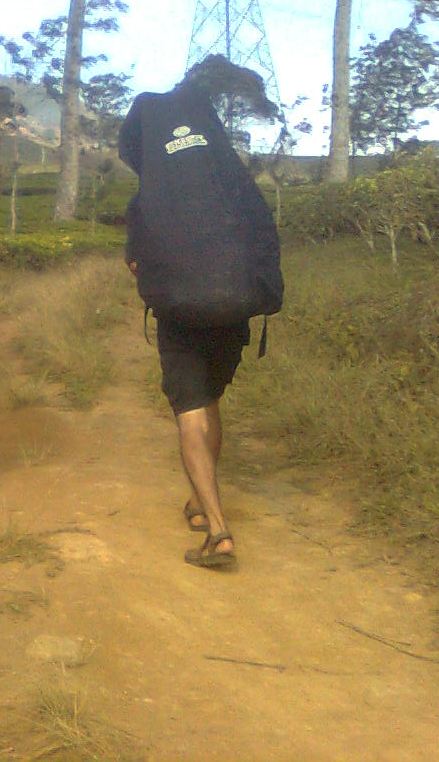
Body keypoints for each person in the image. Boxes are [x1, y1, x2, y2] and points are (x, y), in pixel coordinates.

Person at [118, 60, 283, 570]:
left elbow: (135, 264)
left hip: (183, 312)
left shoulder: (150, 200)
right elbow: (264, 239)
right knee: (210, 402)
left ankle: (218, 531)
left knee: (191, 409)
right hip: (235, 311)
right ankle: (200, 501)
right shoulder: (228, 176)